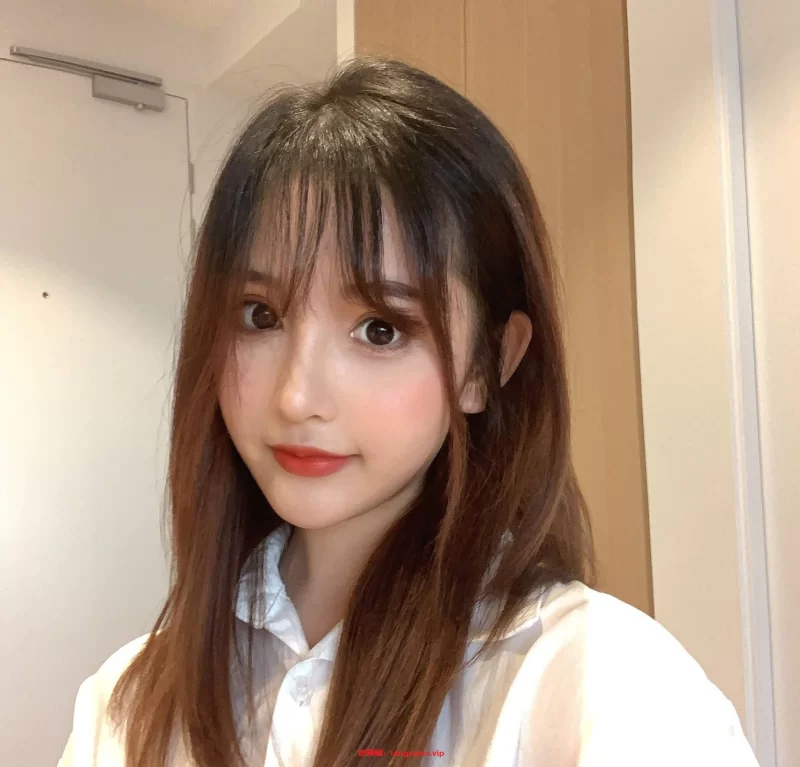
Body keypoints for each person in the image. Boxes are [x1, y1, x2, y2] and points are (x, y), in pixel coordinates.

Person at [58, 57, 759, 767]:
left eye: (380, 329)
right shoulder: (127, 701)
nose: (296, 397)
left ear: (487, 363)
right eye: (260, 315)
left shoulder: (605, 689)